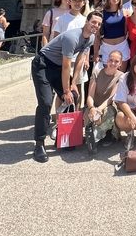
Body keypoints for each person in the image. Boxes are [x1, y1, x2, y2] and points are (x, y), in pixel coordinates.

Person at [31, 11, 103, 162]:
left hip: (57, 66)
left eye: (99, 24)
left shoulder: (90, 38)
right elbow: (66, 66)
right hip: (43, 64)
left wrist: (73, 84)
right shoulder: (72, 37)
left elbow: (80, 61)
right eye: (93, 22)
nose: (96, 25)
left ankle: (65, 137)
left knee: (74, 96)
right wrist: (66, 90)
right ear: (87, 22)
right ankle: (39, 143)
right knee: (45, 102)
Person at [84, 49, 122, 154]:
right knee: (89, 116)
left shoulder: (121, 76)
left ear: (120, 63)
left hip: (108, 106)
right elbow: (90, 96)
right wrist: (92, 108)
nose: (113, 63)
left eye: (116, 61)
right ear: (107, 60)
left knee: (107, 112)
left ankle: (102, 136)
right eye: (111, 60)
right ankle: (95, 135)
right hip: (94, 105)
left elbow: (111, 98)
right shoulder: (96, 73)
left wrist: (99, 109)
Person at [94, 0, 130, 71]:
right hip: (107, 47)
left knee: (120, 75)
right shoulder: (102, 13)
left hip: (122, 46)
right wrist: (96, 53)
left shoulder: (125, 12)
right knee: (107, 74)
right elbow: (97, 36)